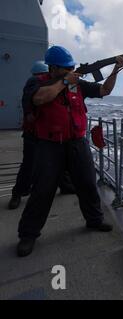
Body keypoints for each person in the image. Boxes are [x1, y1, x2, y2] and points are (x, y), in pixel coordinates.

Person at [16, 46, 123, 257]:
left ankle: (94, 220)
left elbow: (105, 91)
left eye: (72, 67)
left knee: (87, 183)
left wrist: (115, 69)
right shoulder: (37, 82)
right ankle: (28, 235)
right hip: (49, 145)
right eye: (66, 68)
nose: (71, 70)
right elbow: (39, 99)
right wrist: (66, 82)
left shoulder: (79, 85)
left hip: (77, 143)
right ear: (54, 68)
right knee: (42, 190)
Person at [8, 61, 77, 210]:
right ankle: (17, 194)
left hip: (50, 132)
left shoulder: (53, 83)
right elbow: (28, 100)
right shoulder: (35, 82)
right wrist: (29, 114)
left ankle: (65, 186)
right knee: (29, 164)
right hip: (34, 132)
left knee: (60, 163)